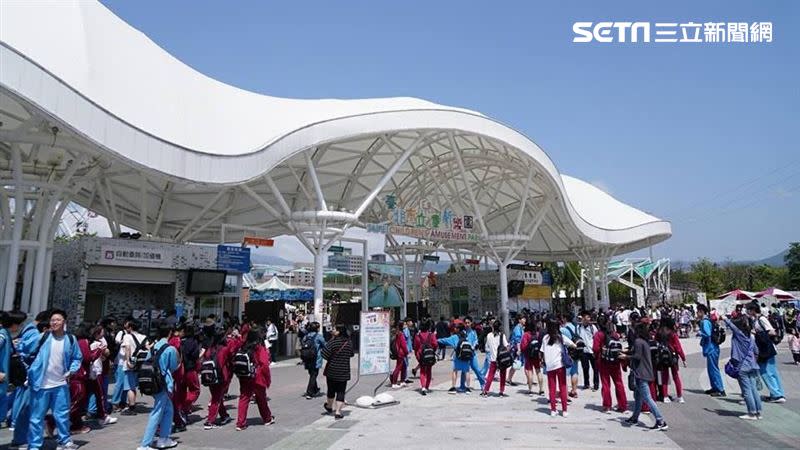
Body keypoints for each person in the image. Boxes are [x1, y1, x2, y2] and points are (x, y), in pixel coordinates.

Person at [27, 309, 84, 450]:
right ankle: (34, 445)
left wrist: (71, 370)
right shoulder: (43, 337)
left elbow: (77, 357)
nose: (54, 322)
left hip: (60, 384)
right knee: (36, 417)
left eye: (58, 320)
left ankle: (64, 441)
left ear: (64, 322)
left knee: (62, 415)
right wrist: (30, 370)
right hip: (40, 384)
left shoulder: (70, 339)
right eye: (52, 320)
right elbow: (24, 350)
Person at [137, 322, 180, 450]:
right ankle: (145, 444)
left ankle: (164, 438)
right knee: (157, 412)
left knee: (168, 410)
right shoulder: (170, 349)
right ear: (170, 333)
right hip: (163, 383)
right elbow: (173, 367)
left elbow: (148, 361)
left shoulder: (153, 346)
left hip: (153, 381)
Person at [10, 310, 48, 448]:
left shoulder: (28, 331)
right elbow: (28, 352)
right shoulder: (34, 333)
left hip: (26, 376)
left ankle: (20, 436)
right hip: (30, 376)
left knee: (22, 405)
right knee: (26, 408)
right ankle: (21, 439)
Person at [619, 322, 668, 430]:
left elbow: (637, 356)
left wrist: (625, 356)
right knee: (638, 397)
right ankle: (635, 417)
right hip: (646, 372)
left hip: (641, 373)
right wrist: (627, 351)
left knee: (647, 398)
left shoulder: (637, 341)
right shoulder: (645, 342)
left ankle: (660, 420)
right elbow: (637, 352)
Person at [722, 315, 762, 420]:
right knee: (753, 389)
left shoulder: (739, 335)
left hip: (742, 366)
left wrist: (724, 318)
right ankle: (758, 412)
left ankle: (751, 413)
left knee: (746, 390)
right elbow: (756, 352)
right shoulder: (751, 337)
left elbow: (731, 326)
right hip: (753, 365)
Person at [202, 327, 242, 429]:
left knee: (217, 396)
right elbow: (233, 352)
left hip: (210, 376)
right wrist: (237, 338)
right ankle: (210, 421)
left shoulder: (210, 349)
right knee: (216, 398)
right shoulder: (224, 349)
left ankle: (224, 416)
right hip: (221, 376)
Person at [235, 328, 275, 430]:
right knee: (261, 399)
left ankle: (240, 423)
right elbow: (265, 365)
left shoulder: (243, 347)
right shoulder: (259, 348)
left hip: (244, 376)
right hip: (257, 377)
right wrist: (267, 379)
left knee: (244, 398)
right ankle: (267, 418)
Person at [748, 304, 786, 403]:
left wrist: (757, 333)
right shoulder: (756, 320)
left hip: (765, 349)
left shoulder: (761, 319)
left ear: (753, 310)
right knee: (772, 372)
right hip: (766, 349)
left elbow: (772, 332)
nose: (747, 311)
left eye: (749, 309)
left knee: (765, 372)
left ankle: (776, 395)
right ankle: (778, 393)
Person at [541, 319, 576, 417]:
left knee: (552, 388)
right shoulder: (560, 337)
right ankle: (564, 410)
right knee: (563, 387)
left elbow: (542, 352)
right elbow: (573, 345)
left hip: (549, 366)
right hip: (560, 365)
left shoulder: (545, 338)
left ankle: (553, 409)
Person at [593, 315, 627, 413]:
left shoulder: (598, 334)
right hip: (615, 361)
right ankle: (622, 405)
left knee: (606, 383)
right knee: (618, 383)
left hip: (603, 361)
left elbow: (595, 348)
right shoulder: (614, 334)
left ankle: (607, 405)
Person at [321, 324, 355, 419]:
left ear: (339, 331)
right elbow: (351, 354)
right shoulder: (349, 343)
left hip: (332, 370)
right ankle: (338, 412)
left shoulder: (333, 342)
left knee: (331, 390)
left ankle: (329, 406)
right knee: (341, 391)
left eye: (334, 329)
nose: (332, 330)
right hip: (344, 370)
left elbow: (324, 354)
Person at [118, 318, 148, 414]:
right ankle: (133, 404)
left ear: (131, 327)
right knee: (134, 385)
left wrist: (127, 361)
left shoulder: (127, 336)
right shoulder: (144, 337)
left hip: (131, 363)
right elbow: (147, 348)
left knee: (130, 387)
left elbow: (127, 348)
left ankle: (131, 407)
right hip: (141, 364)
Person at [696, 304, 725, 397]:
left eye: (698, 311)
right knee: (711, 368)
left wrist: (700, 333)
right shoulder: (708, 320)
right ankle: (715, 387)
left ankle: (720, 389)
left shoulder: (704, 322)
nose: (697, 313)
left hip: (711, 348)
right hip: (713, 347)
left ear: (701, 312)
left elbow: (707, 334)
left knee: (713, 369)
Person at [176, 323, 200, 427]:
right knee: (195, 390)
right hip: (191, 370)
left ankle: (181, 410)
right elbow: (195, 356)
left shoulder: (179, 342)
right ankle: (184, 407)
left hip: (180, 371)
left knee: (181, 392)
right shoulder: (193, 342)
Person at [437, 324, 472, 394]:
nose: (454, 329)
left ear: (458, 329)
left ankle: (453, 387)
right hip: (466, 356)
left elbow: (445, 340)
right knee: (467, 371)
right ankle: (468, 388)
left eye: (456, 328)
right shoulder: (467, 336)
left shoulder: (455, 337)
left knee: (455, 371)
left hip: (458, 357)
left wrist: (437, 340)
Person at [481, 320, 510, 397]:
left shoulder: (489, 335)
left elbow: (487, 347)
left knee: (490, 375)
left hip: (493, 359)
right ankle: (501, 391)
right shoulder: (502, 336)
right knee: (502, 375)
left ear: (493, 327)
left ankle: (486, 391)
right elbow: (507, 346)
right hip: (501, 359)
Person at [301, 322, 326, 399]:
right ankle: (309, 392)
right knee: (313, 375)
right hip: (316, 359)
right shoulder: (318, 336)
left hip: (306, 358)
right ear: (317, 328)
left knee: (312, 374)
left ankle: (315, 389)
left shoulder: (305, 337)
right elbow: (325, 345)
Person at [413, 319, 437, 395]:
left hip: (421, 355)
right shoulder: (431, 335)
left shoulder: (417, 336)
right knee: (429, 371)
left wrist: (417, 354)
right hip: (429, 354)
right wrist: (432, 350)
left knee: (422, 371)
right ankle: (427, 386)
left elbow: (415, 346)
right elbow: (435, 344)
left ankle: (423, 387)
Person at [520, 320, 544, 396]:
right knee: (538, 372)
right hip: (537, 355)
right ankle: (541, 389)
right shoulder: (537, 334)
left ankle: (530, 390)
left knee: (530, 372)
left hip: (529, 355)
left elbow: (523, 346)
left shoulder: (526, 335)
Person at [577, 311, 599, 391]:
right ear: (582, 318)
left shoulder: (593, 327)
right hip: (584, 351)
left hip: (592, 350)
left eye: (589, 317)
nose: (589, 319)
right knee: (585, 368)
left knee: (595, 368)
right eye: (587, 317)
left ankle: (596, 384)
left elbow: (596, 338)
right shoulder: (578, 327)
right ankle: (586, 384)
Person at [506, 315, 525, 386]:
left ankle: (509, 379)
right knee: (515, 364)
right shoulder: (517, 328)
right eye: (523, 318)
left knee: (515, 364)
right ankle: (509, 379)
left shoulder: (520, 328)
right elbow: (518, 340)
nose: (524, 320)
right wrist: (519, 349)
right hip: (515, 349)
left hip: (517, 348)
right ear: (519, 320)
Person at [389, 321, 409, 388]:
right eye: (404, 324)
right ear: (402, 326)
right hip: (401, 353)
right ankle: (394, 382)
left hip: (399, 352)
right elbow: (403, 345)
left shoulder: (398, 333)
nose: (405, 325)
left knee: (404, 366)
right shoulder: (401, 334)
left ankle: (402, 381)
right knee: (398, 367)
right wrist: (406, 352)